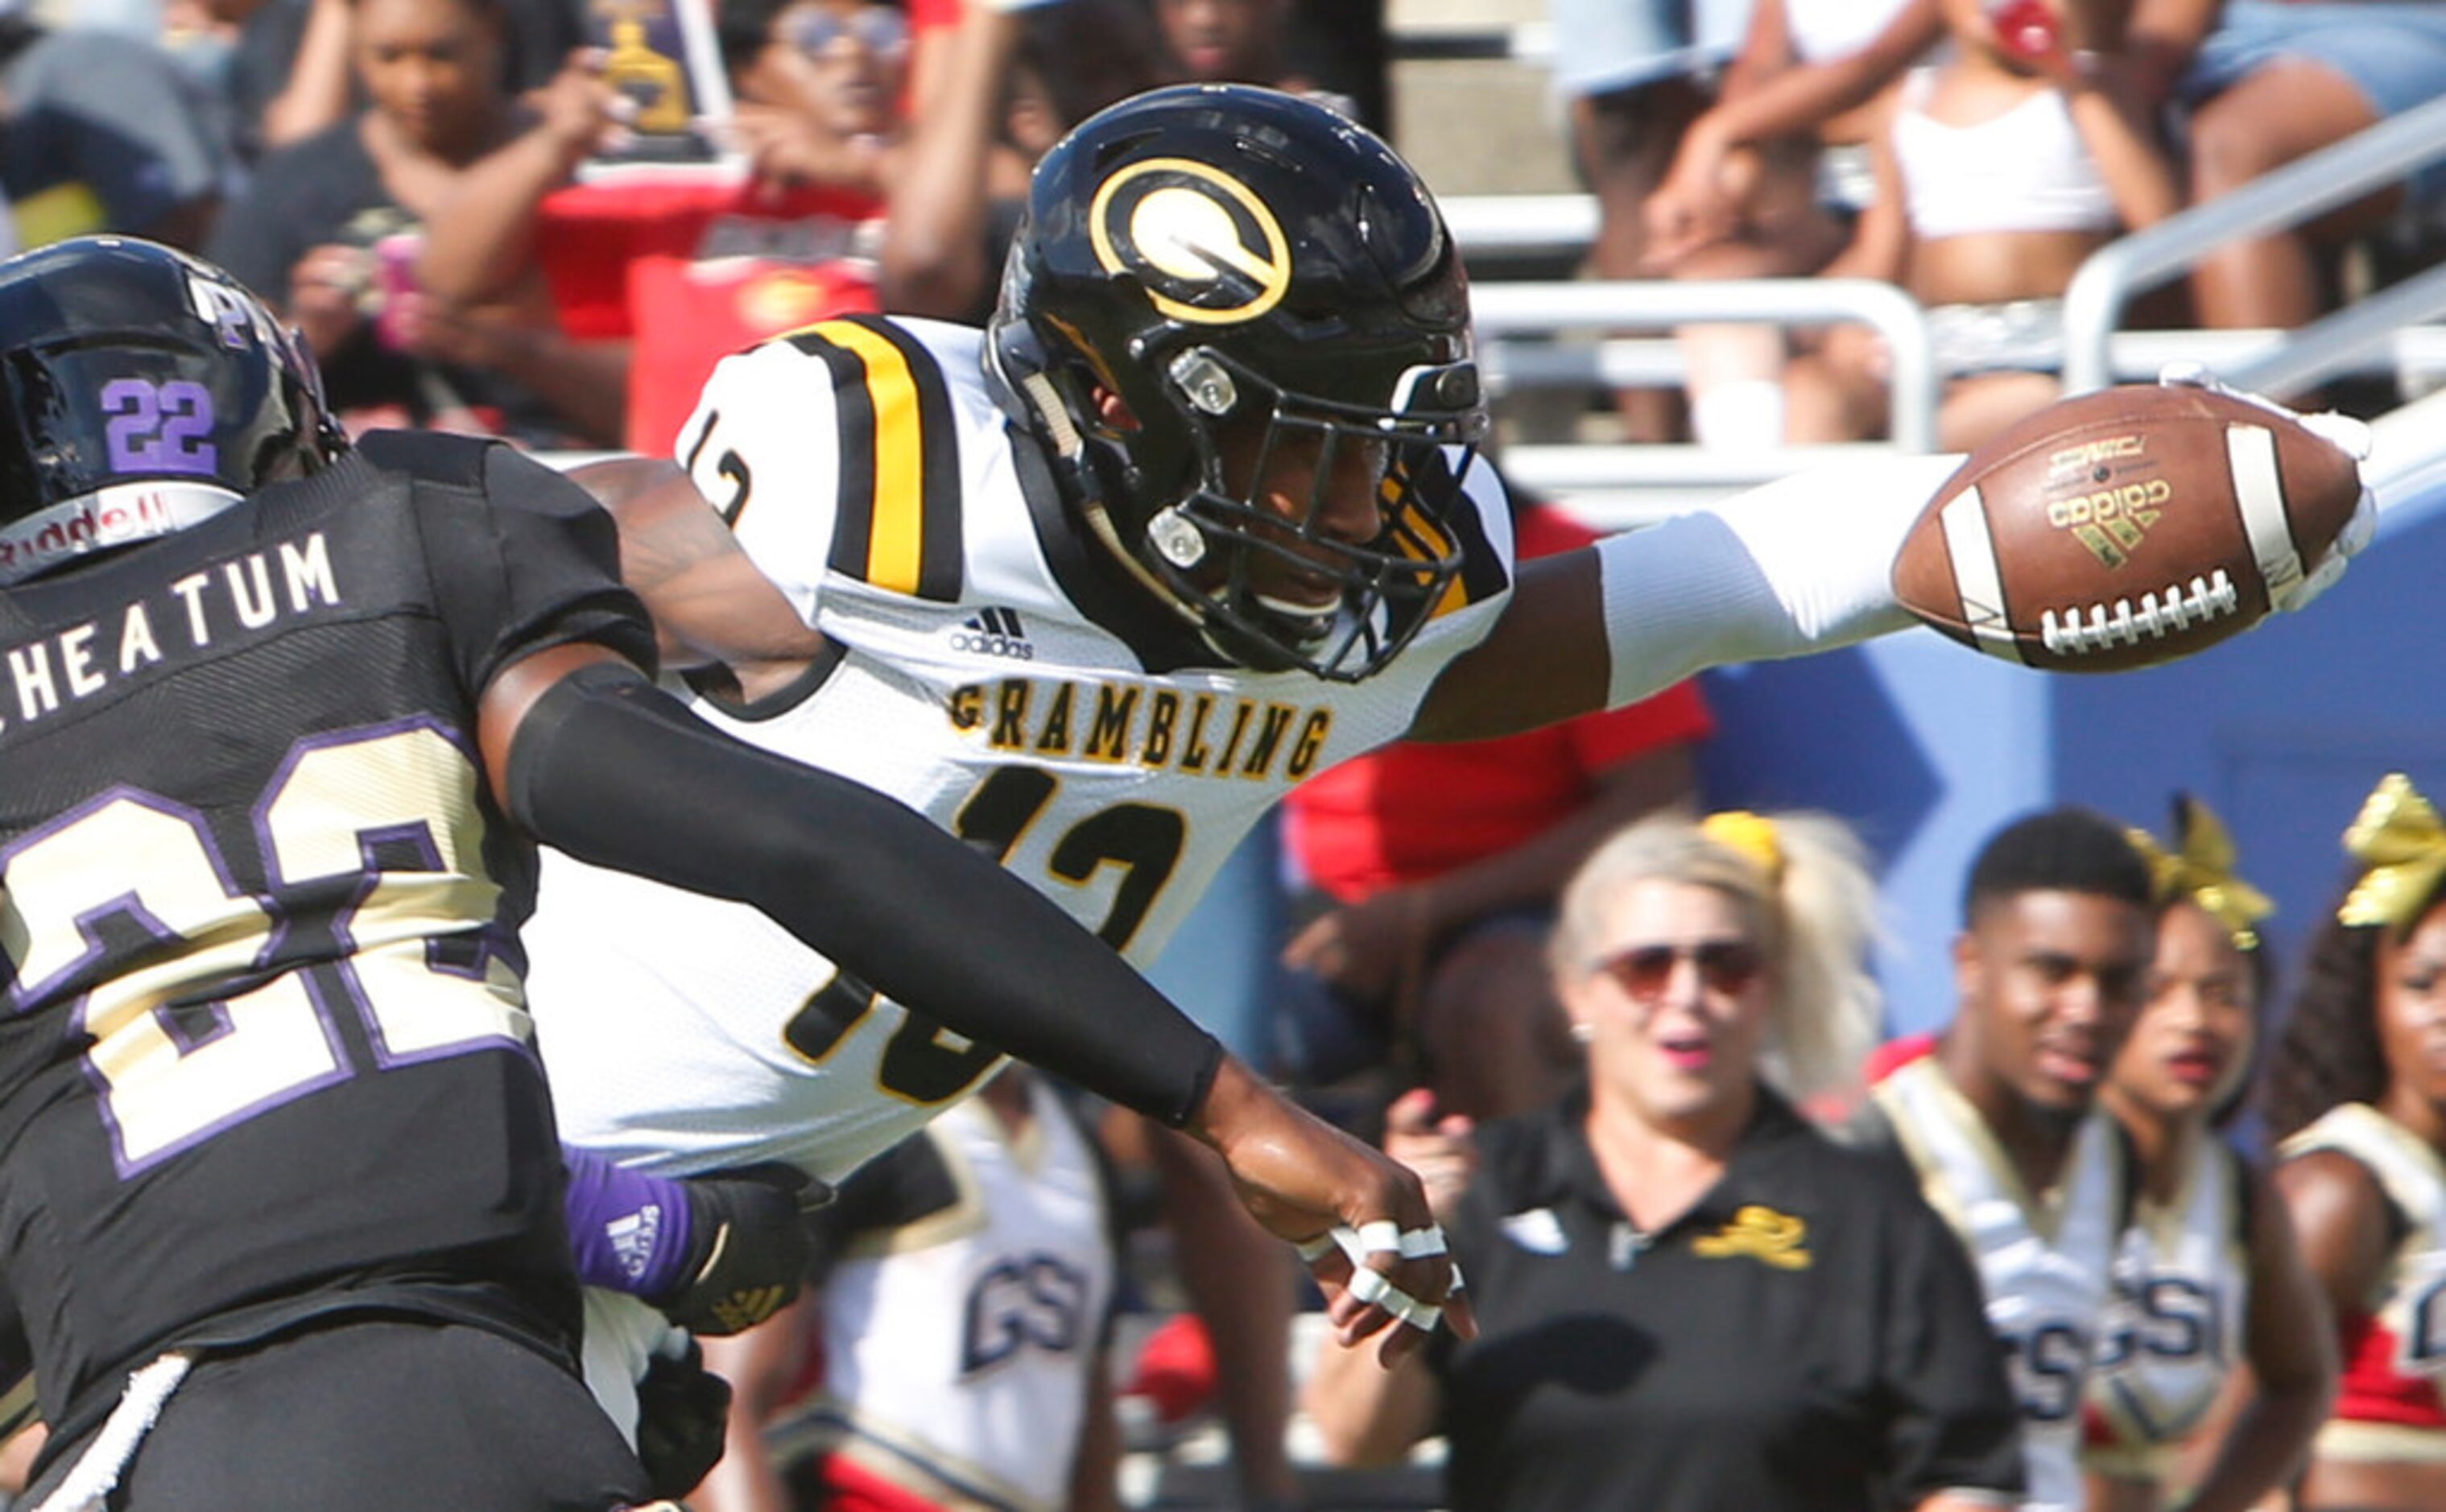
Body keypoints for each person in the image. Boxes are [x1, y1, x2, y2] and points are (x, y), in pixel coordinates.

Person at [0, 233, 1462, 1510]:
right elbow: (798, 836)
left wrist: (648, 1243)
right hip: (429, 1391)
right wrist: (1227, 1100)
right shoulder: (402, 531)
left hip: (160, 1420)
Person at [1303, 809, 2025, 1510]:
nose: (1688, 996)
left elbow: (1966, 1476)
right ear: (1575, 988)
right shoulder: (1488, 1187)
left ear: (1768, 988)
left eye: (1727, 967)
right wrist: (1404, 1247)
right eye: (1647, 967)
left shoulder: (1865, 1214)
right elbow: (1355, 1439)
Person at [415, 0, 914, 456]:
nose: (855, 56)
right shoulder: (680, 194)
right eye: (815, 36)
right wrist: (555, 144)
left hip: (875, 508)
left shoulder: (931, 194)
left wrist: (863, 171)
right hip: (690, 519)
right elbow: (451, 277)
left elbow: (958, 241)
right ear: (748, 68)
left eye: (881, 31)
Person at [1854, 806, 2157, 1512]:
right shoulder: (1873, 1148)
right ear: (1970, 964)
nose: (2085, 1008)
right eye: (2052, 971)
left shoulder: (2112, 1154)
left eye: (2119, 981)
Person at [693, 1067, 1123, 1512]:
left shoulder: (1076, 1141)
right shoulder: (871, 1118)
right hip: (864, 1491)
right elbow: (720, 1404)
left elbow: (1089, 1400)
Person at [205, 0, 626, 447]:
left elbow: (651, 391)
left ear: (494, 33)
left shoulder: (573, 165)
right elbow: (225, 385)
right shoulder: (298, 180)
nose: (418, 84)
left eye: (442, 55)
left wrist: (506, 348)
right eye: (389, 57)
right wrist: (308, 334)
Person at [2081, 795, 2336, 1512]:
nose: (2193, 1021)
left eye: (2224, 994)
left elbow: (2299, 1381)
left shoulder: (2238, 1195)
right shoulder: (2046, 1168)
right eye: (2157, 991)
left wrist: (2220, 1500)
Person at [1783, 0, 2184, 449]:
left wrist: (2072, 84)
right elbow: (1885, 250)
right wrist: (1849, 332)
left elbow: (2158, 222)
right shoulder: (1907, 101)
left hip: (2044, 354)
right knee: (1812, 393)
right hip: (1933, 346)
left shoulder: (2091, 88)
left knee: (2002, 413)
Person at [2261, 771, 2446, 1512]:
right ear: (2366, 995)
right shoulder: (2343, 1183)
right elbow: (2229, 1421)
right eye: (2421, 985)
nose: (2445, 1015)